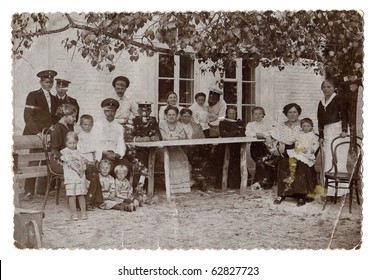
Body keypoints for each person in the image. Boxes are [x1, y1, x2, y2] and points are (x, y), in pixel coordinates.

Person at [86, 98, 132, 208]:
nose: (110, 113)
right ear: (104, 111)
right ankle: (102, 197)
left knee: (127, 166)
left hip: (115, 154)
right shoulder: (97, 125)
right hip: (102, 153)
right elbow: (94, 142)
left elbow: (121, 143)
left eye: (112, 111)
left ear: (115, 112)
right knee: (106, 167)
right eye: (107, 111)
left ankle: (121, 194)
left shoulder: (119, 127)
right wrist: (104, 152)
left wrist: (118, 154)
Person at [270, 103, 317, 206]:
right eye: (290, 112)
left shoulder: (304, 124)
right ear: (286, 113)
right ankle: (282, 194)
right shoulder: (282, 126)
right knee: (284, 163)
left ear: (298, 113)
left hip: (302, 152)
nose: (292, 114)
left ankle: (300, 195)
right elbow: (273, 135)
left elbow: (312, 138)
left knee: (300, 165)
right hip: (288, 151)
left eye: (295, 112)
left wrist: (310, 150)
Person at [23, 69, 58, 200]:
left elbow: (54, 117)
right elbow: (28, 116)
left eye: (51, 82)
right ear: (41, 82)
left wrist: (53, 127)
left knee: (46, 160)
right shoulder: (33, 96)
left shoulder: (54, 99)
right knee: (33, 161)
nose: (49, 84)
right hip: (36, 135)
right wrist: (37, 132)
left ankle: (42, 191)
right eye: (46, 81)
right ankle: (28, 192)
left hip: (48, 135)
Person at [317, 79, 349, 196]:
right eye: (324, 87)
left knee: (339, 158)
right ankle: (328, 191)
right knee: (328, 159)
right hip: (327, 131)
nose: (326, 89)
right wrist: (321, 136)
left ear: (334, 88)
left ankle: (340, 191)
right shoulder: (321, 102)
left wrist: (344, 130)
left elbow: (345, 115)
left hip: (339, 130)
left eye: (328, 87)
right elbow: (320, 120)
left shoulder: (339, 99)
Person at [128, 101, 161, 191]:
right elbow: (128, 135)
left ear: (150, 111)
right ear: (138, 111)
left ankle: (141, 185)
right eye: (142, 110)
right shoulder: (133, 120)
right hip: (134, 149)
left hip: (148, 150)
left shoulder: (153, 120)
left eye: (147, 111)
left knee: (145, 156)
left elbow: (158, 134)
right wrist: (138, 139)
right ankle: (139, 185)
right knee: (141, 158)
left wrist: (155, 137)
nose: (144, 113)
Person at [159, 105, 191, 194]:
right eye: (169, 115)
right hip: (165, 150)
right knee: (172, 161)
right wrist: (175, 136)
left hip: (176, 149)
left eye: (173, 115)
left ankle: (181, 188)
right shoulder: (162, 124)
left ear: (177, 116)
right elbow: (163, 137)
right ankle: (171, 187)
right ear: (166, 115)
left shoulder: (179, 124)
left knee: (183, 158)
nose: (171, 117)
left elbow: (183, 136)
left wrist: (172, 136)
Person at [245, 106, 277, 189]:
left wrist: (265, 135)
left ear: (263, 115)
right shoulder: (250, 125)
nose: (258, 116)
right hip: (255, 147)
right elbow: (248, 133)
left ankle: (264, 182)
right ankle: (259, 182)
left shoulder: (267, 124)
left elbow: (272, 132)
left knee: (265, 162)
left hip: (266, 147)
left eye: (260, 114)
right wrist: (257, 134)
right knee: (260, 161)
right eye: (255, 114)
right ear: (252, 115)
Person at [60, 132, 89, 221]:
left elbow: (84, 162)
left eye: (74, 143)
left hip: (80, 177)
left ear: (77, 142)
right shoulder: (65, 152)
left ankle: (83, 213)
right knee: (72, 195)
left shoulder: (79, 152)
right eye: (70, 143)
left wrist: (83, 168)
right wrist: (78, 170)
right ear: (66, 143)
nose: (72, 145)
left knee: (81, 195)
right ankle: (74, 213)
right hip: (71, 177)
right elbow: (70, 163)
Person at [284, 118, 319, 188]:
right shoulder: (300, 134)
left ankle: (292, 175)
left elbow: (316, 144)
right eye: (304, 126)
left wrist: (312, 150)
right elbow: (297, 142)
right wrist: (297, 146)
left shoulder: (312, 135)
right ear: (301, 127)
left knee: (295, 157)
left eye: (308, 126)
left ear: (311, 126)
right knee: (292, 157)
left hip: (307, 153)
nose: (306, 128)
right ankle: (292, 174)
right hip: (300, 151)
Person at [179, 108, 207, 190]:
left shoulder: (195, 125)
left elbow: (202, 138)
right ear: (180, 116)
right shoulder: (177, 125)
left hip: (194, 148)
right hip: (181, 148)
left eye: (188, 116)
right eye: (184, 116)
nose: (186, 118)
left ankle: (199, 181)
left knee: (199, 158)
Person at [219, 106, 246, 189]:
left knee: (236, 164)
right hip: (224, 146)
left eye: (234, 113)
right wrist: (236, 132)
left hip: (236, 146)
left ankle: (235, 184)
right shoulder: (223, 122)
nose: (232, 115)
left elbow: (243, 133)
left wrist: (232, 132)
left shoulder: (239, 122)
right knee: (224, 164)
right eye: (230, 113)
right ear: (227, 114)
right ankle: (223, 184)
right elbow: (224, 135)